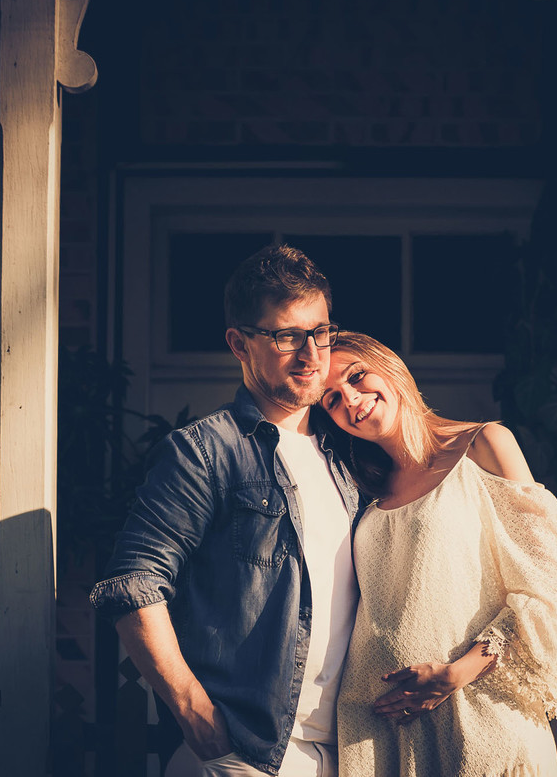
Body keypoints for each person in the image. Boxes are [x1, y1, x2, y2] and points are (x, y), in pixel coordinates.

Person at [90, 244, 361, 777]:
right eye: (286, 337)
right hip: (244, 757)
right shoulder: (204, 451)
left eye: (320, 332)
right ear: (239, 343)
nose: (311, 355)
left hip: (346, 753)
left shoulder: (348, 454)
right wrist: (200, 722)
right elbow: (132, 584)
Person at [318, 331, 557, 777]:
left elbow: (547, 587)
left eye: (356, 376)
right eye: (331, 399)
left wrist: (454, 675)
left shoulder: (484, 445)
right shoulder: (360, 490)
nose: (351, 399)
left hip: (479, 717)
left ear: (390, 366)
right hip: (381, 732)